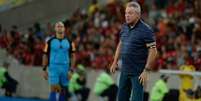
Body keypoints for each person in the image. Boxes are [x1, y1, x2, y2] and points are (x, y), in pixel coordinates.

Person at [110, 1, 157, 101]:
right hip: (125, 70)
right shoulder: (124, 27)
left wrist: (146, 70)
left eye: (130, 13)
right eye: (126, 13)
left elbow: (153, 51)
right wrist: (115, 61)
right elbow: (120, 44)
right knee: (121, 99)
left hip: (138, 73)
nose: (127, 16)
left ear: (138, 15)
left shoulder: (146, 30)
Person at [42, 21, 76, 101]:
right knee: (54, 88)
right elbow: (45, 55)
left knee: (64, 90)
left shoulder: (70, 42)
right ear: (55, 29)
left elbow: (73, 56)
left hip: (65, 68)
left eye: (61, 26)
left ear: (64, 29)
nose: (60, 27)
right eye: (58, 26)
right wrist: (44, 69)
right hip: (54, 67)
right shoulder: (49, 42)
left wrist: (71, 70)